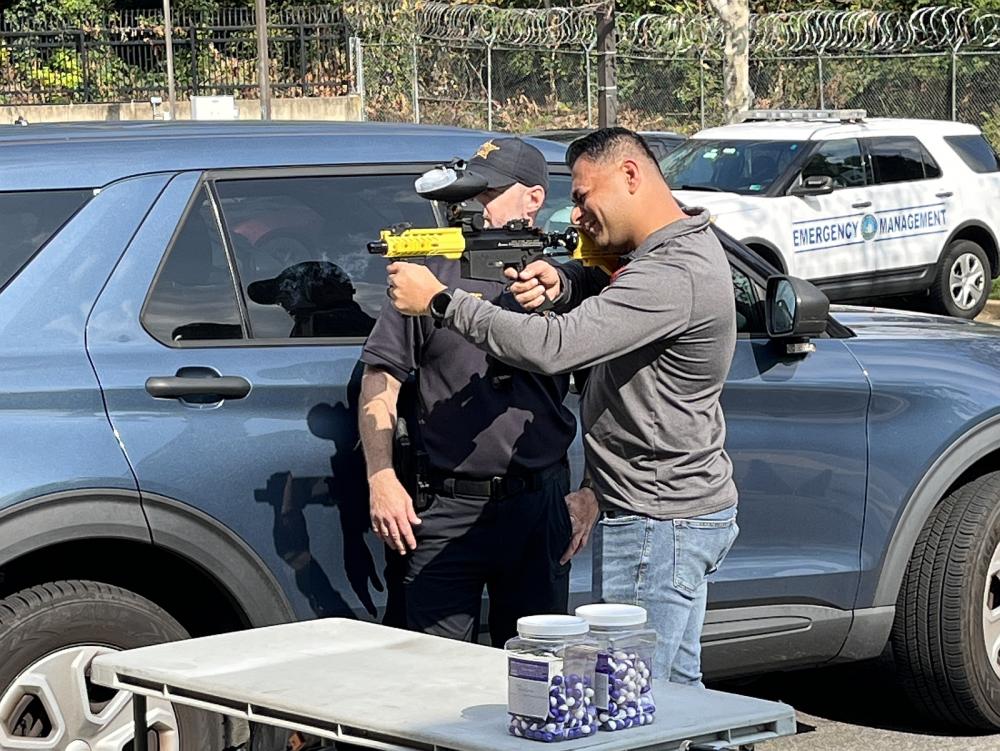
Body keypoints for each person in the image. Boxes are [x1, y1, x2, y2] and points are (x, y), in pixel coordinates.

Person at [386, 127, 739, 687]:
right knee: (675, 691)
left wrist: (442, 300)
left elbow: (554, 347)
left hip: (658, 520)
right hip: (666, 511)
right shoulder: (667, 251)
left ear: (630, 175)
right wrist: (565, 280)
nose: (574, 216)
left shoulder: (671, 272)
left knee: (636, 700)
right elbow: (608, 281)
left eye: (581, 196)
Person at [358, 137, 594, 647]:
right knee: (432, 671)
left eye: (487, 194)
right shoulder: (429, 272)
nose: (470, 207)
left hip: (540, 503)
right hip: (443, 504)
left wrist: (592, 492)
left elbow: (606, 392)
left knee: (539, 674)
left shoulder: (565, 281)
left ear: (533, 199)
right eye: (467, 196)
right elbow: (381, 379)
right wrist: (381, 478)